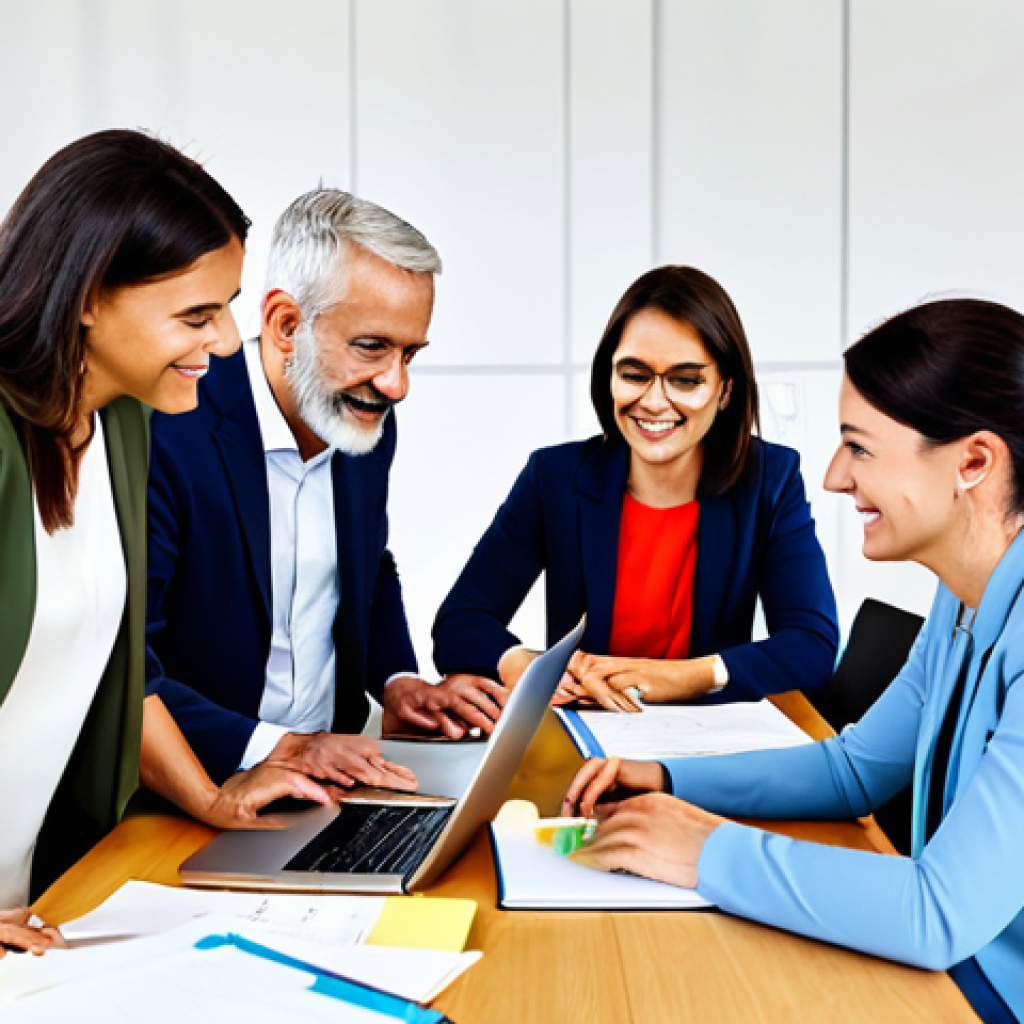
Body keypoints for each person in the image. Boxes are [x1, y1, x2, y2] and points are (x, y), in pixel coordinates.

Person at [563, 297, 1024, 1024]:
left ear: (973, 462)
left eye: (860, 448)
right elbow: (854, 770)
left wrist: (705, 849)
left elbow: (939, 913)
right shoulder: (963, 599)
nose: (836, 477)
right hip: (950, 978)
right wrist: (665, 777)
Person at [0, 130, 321, 958]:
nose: (224, 342)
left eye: (229, 306)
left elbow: (122, 671)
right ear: (86, 297)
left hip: (35, 905)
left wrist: (212, 801)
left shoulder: (126, 426)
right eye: (197, 314)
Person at [144, 190, 508, 793]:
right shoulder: (169, 431)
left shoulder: (361, 422)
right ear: (286, 325)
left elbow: (369, 567)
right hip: (194, 790)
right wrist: (282, 749)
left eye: (409, 353)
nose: (396, 385)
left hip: (335, 784)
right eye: (372, 347)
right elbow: (131, 666)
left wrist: (397, 681)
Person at [432, 266, 838, 709]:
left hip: (707, 745)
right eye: (634, 374)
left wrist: (685, 677)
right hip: (587, 734)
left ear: (725, 391)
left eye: (686, 379)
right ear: (609, 378)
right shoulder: (554, 477)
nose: (655, 401)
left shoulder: (770, 479)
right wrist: (526, 666)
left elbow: (811, 647)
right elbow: (460, 622)